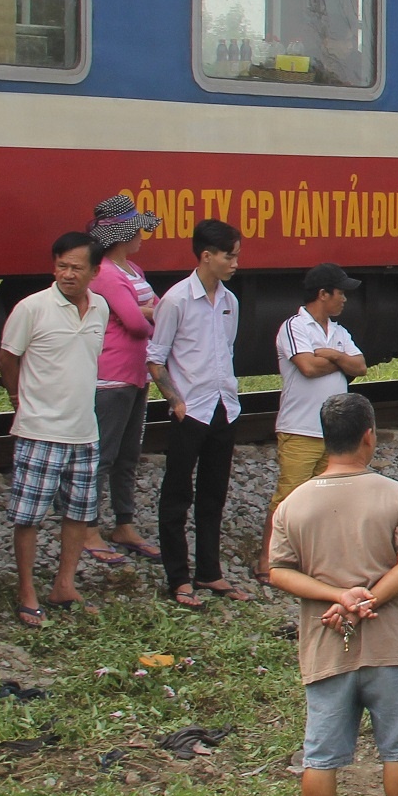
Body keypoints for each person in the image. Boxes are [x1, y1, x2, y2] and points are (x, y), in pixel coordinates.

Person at [265, 392, 398, 796]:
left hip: (325, 648)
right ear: (368, 437)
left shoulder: (294, 504)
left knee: (321, 756)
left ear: (324, 440)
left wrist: (337, 598)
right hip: (391, 644)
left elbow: (278, 572)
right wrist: (367, 601)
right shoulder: (395, 495)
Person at [0, 232, 112, 628]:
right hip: (40, 430)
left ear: (95, 271)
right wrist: (18, 399)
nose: (67, 274)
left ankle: (64, 584)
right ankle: (26, 589)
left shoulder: (100, 308)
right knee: (28, 516)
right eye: (61, 266)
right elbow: (7, 358)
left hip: (85, 431)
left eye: (76, 268)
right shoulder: (31, 308)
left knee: (78, 513)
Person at [147, 219, 247, 609]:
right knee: (176, 495)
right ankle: (178, 578)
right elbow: (156, 359)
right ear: (207, 256)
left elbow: (227, 349)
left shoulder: (229, 302)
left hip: (223, 406)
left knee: (213, 493)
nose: (236, 263)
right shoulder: (175, 300)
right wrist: (175, 401)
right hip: (190, 411)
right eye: (230, 255)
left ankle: (209, 570)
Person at [265, 263, 368, 571]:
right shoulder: (295, 326)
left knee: (329, 500)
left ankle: (315, 560)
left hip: (334, 432)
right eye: (340, 292)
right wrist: (343, 361)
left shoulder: (339, 332)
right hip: (301, 429)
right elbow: (308, 367)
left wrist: (333, 355)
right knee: (287, 499)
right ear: (323, 294)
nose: (345, 299)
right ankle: (267, 561)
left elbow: (360, 366)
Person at [87, 196, 164, 564]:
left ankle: (123, 520)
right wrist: (149, 313)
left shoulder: (132, 269)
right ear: (121, 234)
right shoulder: (105, 273)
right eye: (137, 229)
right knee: (104, 454)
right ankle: (87, 526)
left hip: (135, 375)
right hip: (112, 376)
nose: (142, 235)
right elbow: (135, 323)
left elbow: (150, 311)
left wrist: (146, 311)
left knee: (128, 454)